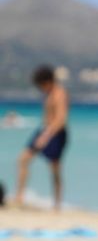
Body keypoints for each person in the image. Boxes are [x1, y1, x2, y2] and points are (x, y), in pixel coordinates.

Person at [15, 65, 69, 211]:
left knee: (55, 169)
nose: (41, 89)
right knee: (23, 159)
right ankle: (19, 197)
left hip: (55, 134)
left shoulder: (59, 93)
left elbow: (60, 119)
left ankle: (57, 204)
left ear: (47, 82)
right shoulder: (49, 93)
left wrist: (46, 136)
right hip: (44, 130)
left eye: (41, 85)